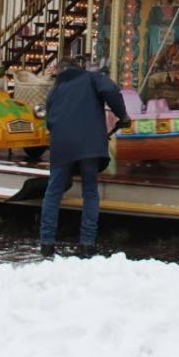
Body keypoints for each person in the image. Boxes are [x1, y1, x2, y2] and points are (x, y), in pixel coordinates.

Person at [40, 56, 130, 257]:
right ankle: (87, 243)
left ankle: (47, 243)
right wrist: (122, 115)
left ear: (60, 72)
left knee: (53, 193)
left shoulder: (54, 91)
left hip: (61, 148)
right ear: (78, 68)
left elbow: (49, 123)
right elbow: (111, 91)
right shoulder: (92, 79)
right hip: (90, 147)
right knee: (89, 192)